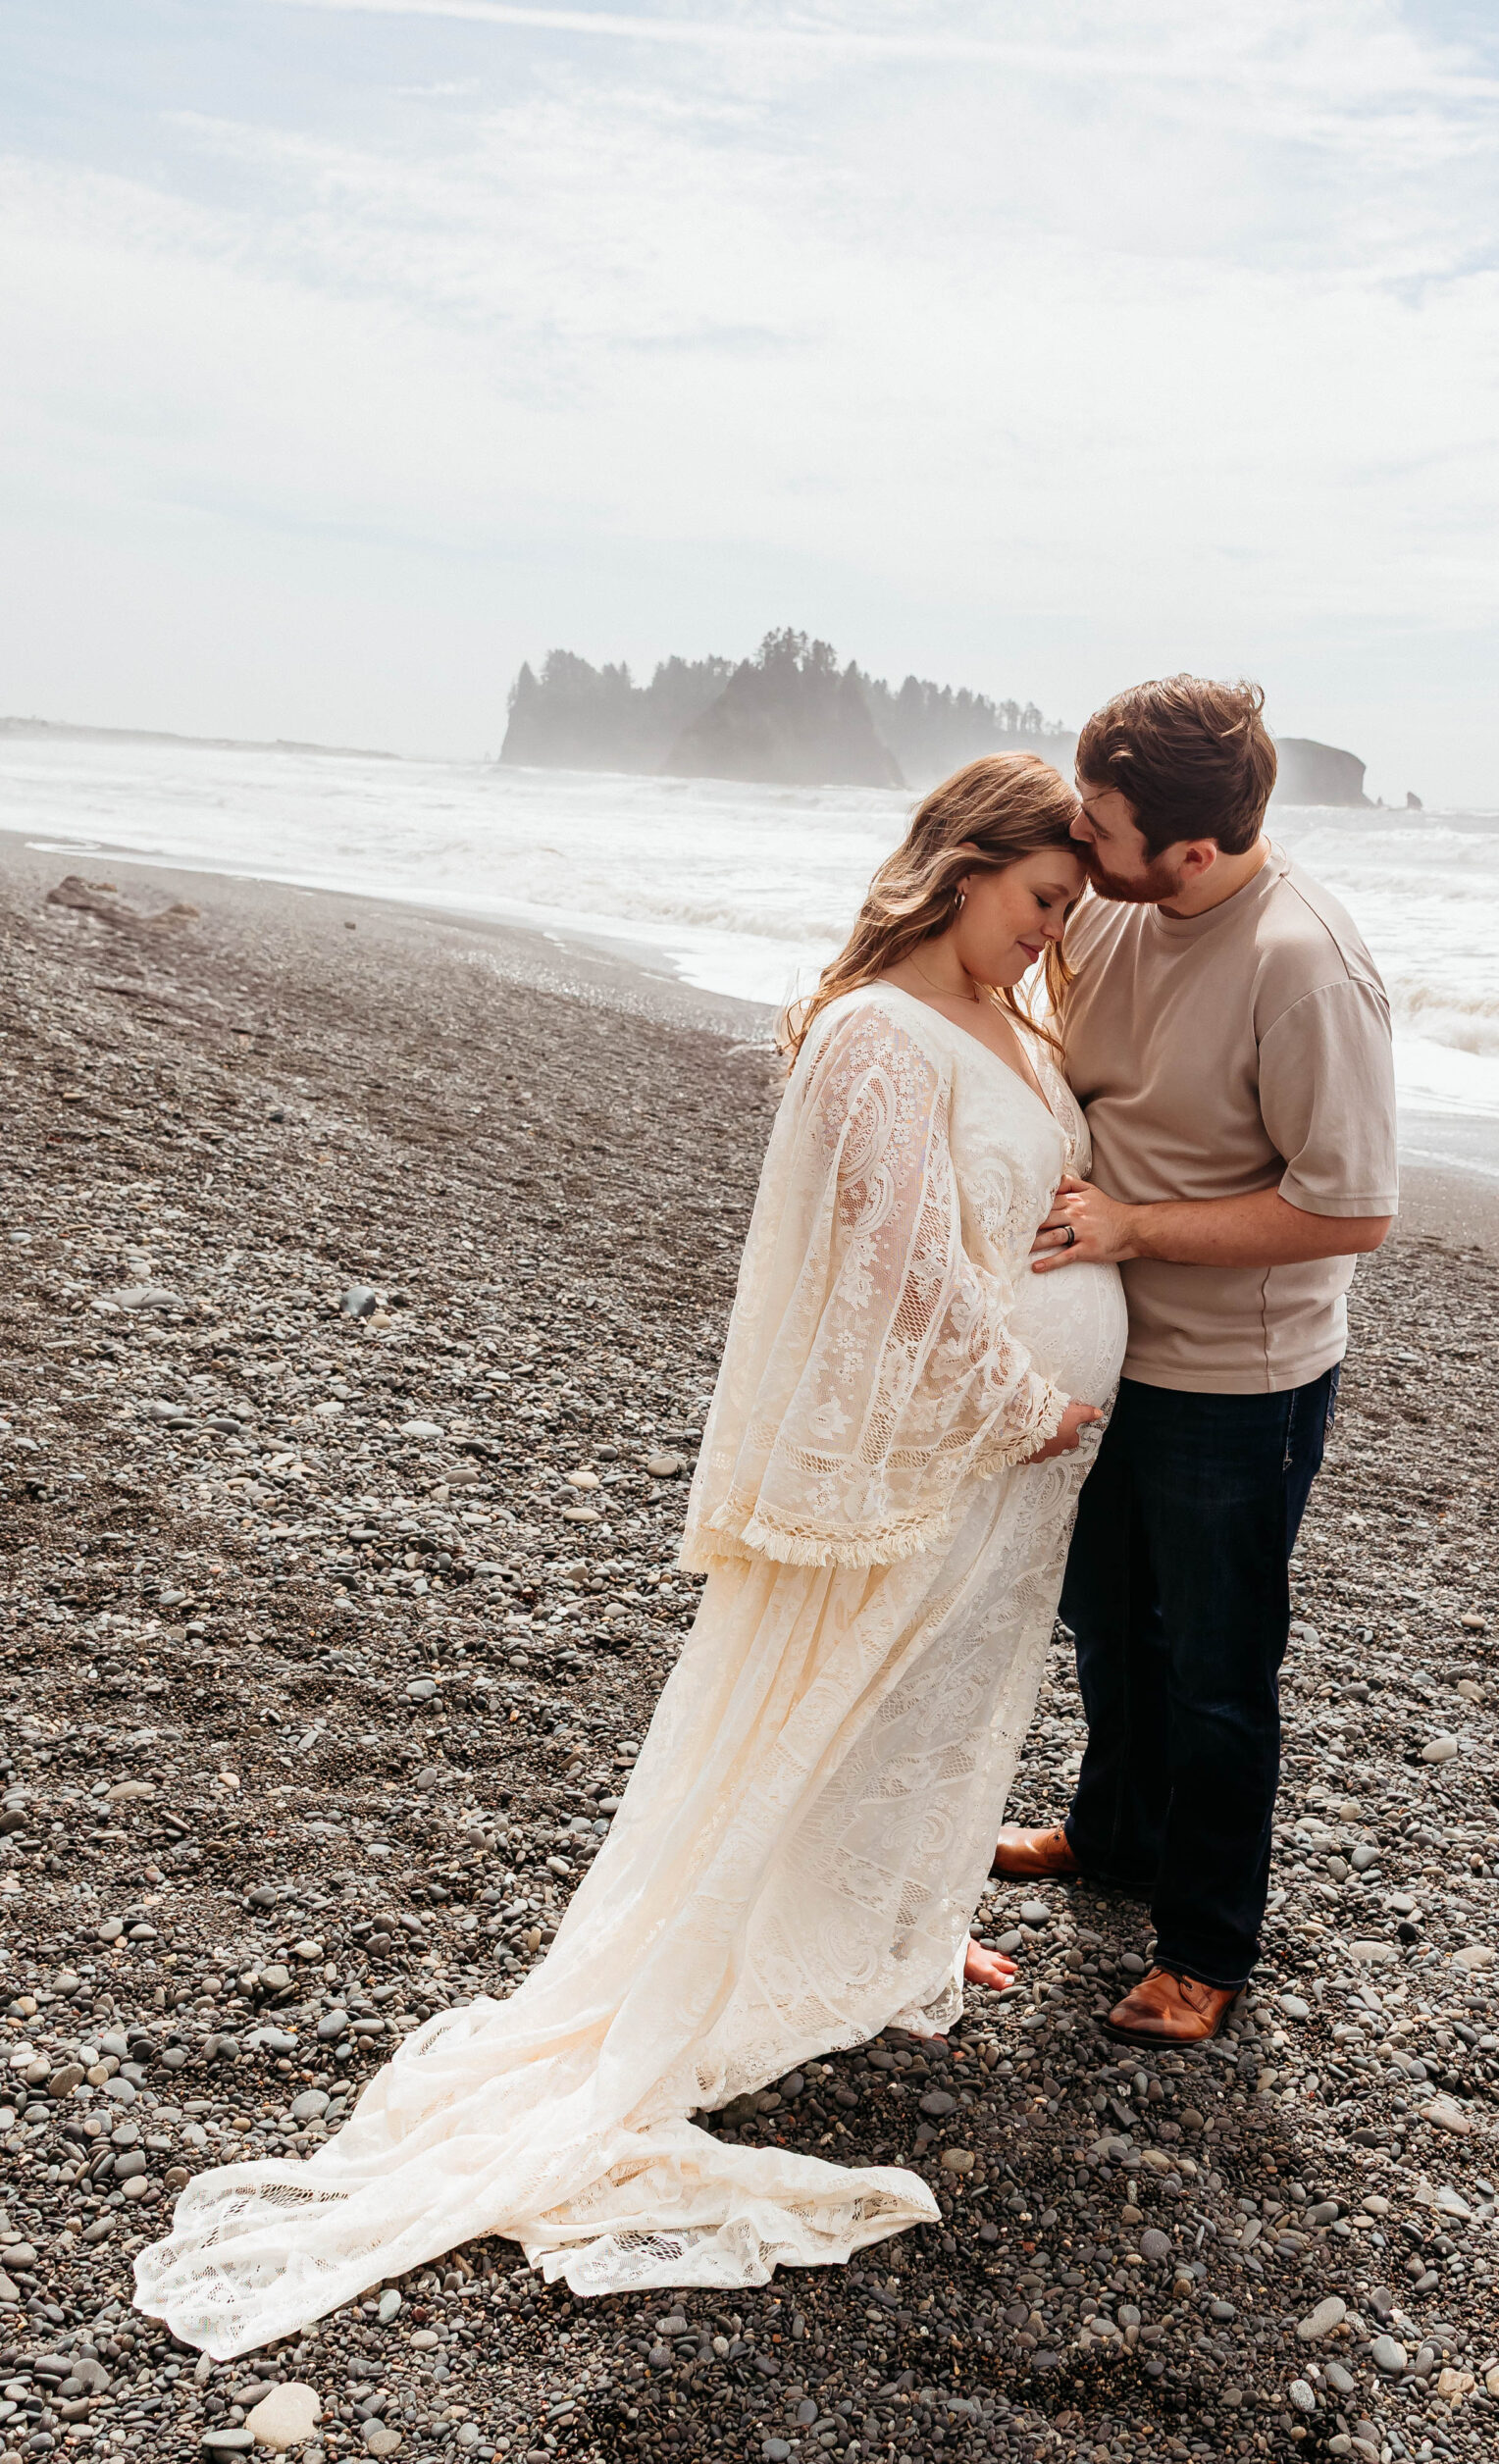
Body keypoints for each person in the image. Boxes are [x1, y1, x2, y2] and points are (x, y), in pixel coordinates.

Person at [133, 754, 1125, 2359]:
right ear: (961, 872)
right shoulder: (876, 1034)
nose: (1049, 933)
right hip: (954, 1436)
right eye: (1039, 900)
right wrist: (1019, 1403)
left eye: (1068, 910)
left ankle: (891, 1932)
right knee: (839, 1689)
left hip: (1015, 1461)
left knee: (943, 1686)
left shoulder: (1015, 1022)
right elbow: (897, 1259)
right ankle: (770, 1955)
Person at [994, 677, 1398, 2046]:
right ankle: (1114, 1834)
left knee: (1216, 1671)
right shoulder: (1114, 903)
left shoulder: (1304, 964)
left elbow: (1351, 1209)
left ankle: (1207, 1948)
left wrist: (1135, 1225)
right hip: (1103, 1348)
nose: (1079, 837)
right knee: (1108, 1622)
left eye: (1101, 825)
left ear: (1196, 851)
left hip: (1240, 1380)